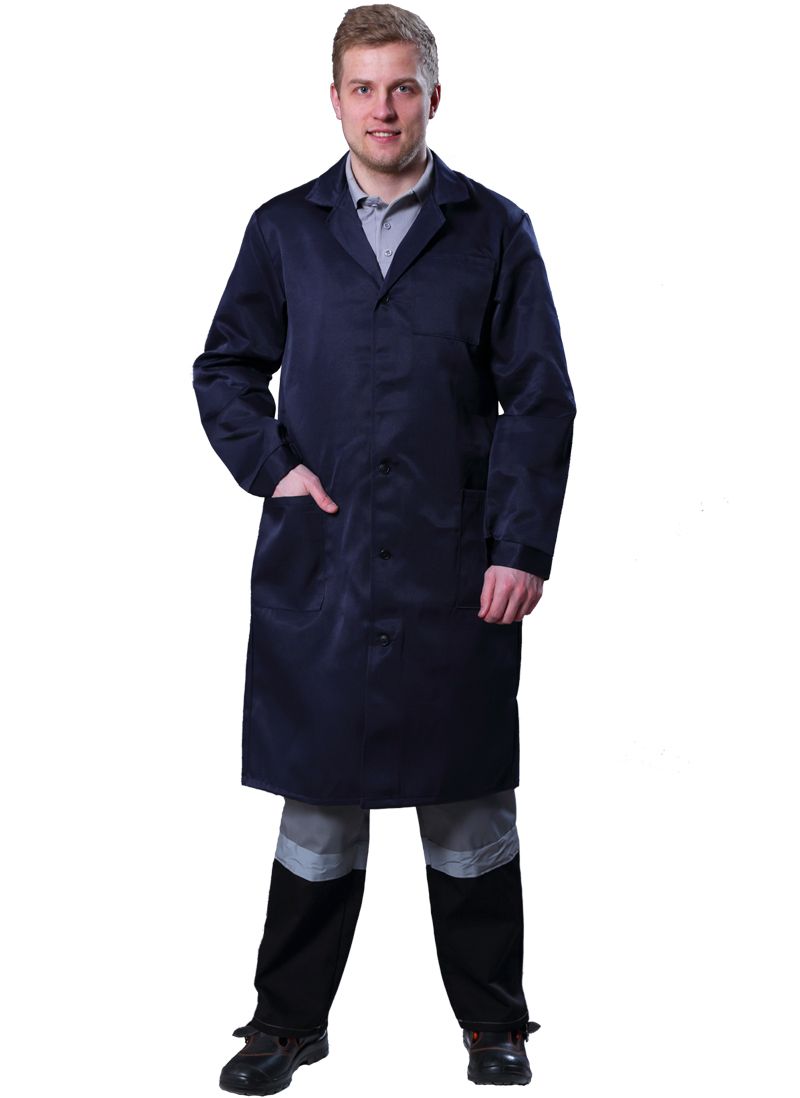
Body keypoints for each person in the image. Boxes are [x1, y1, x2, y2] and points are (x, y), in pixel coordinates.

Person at [192, 4, 576, 1092]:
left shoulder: (493, 231)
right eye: (363, 88)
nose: (384, 108)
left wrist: (520, 546)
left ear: (433, 97)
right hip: (325, 561)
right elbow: (225, 367)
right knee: (317, 806)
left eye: (402, 87)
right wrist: (273, 466)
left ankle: (493, 1025)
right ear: (334, 100)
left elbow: (539, 401)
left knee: (467, 807)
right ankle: (285, 1024)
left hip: (455, 568)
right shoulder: (284, 230)